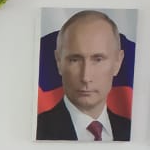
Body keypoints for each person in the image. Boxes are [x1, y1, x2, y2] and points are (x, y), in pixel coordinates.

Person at [37, 10, 130, 142]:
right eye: (75, 60)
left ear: (118, 62)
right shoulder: (38, 130)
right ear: (58, 61)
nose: (86, 77)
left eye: (98, 59)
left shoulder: (130, 130)